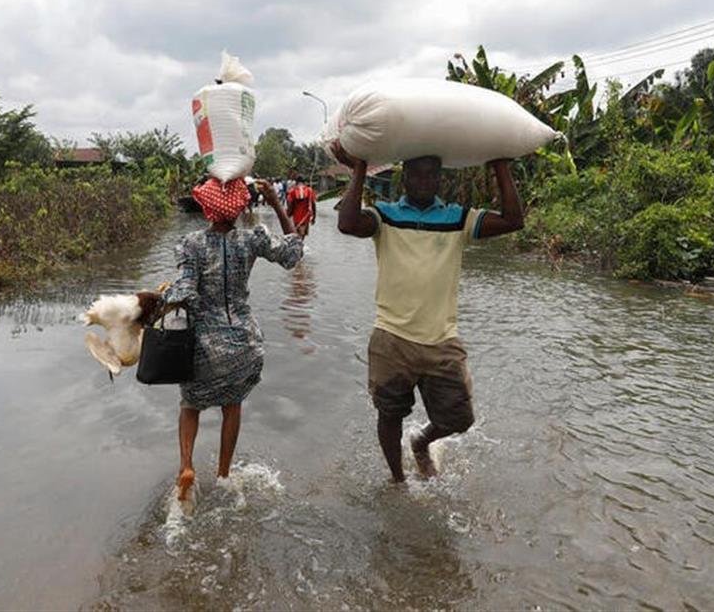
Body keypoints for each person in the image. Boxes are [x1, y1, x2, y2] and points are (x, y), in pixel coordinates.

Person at [332, 141, 524, 482]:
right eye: (417, 175)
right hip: (392, 336)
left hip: (441, 340)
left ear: (440, 180)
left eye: (431, 175)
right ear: (405, 178)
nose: (424, 181)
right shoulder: (385, 215)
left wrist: (500, 165)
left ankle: (422, 441)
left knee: (459, 418)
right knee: (389, 414)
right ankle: (398, 481)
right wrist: (359, 168)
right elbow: (347, 224)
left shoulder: (456, 218)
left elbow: (513, 220)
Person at [146, 177, 302, 501]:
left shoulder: (191, 244)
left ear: (206, 209)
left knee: (190, 404)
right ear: (240, 208)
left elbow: (185, 290)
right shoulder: (251, 240)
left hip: (204, 346)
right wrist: (275, 202)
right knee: (233, 405)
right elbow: (292, 253)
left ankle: (186, 467)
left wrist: (158, 302)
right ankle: (224, 474)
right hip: (244, 344)